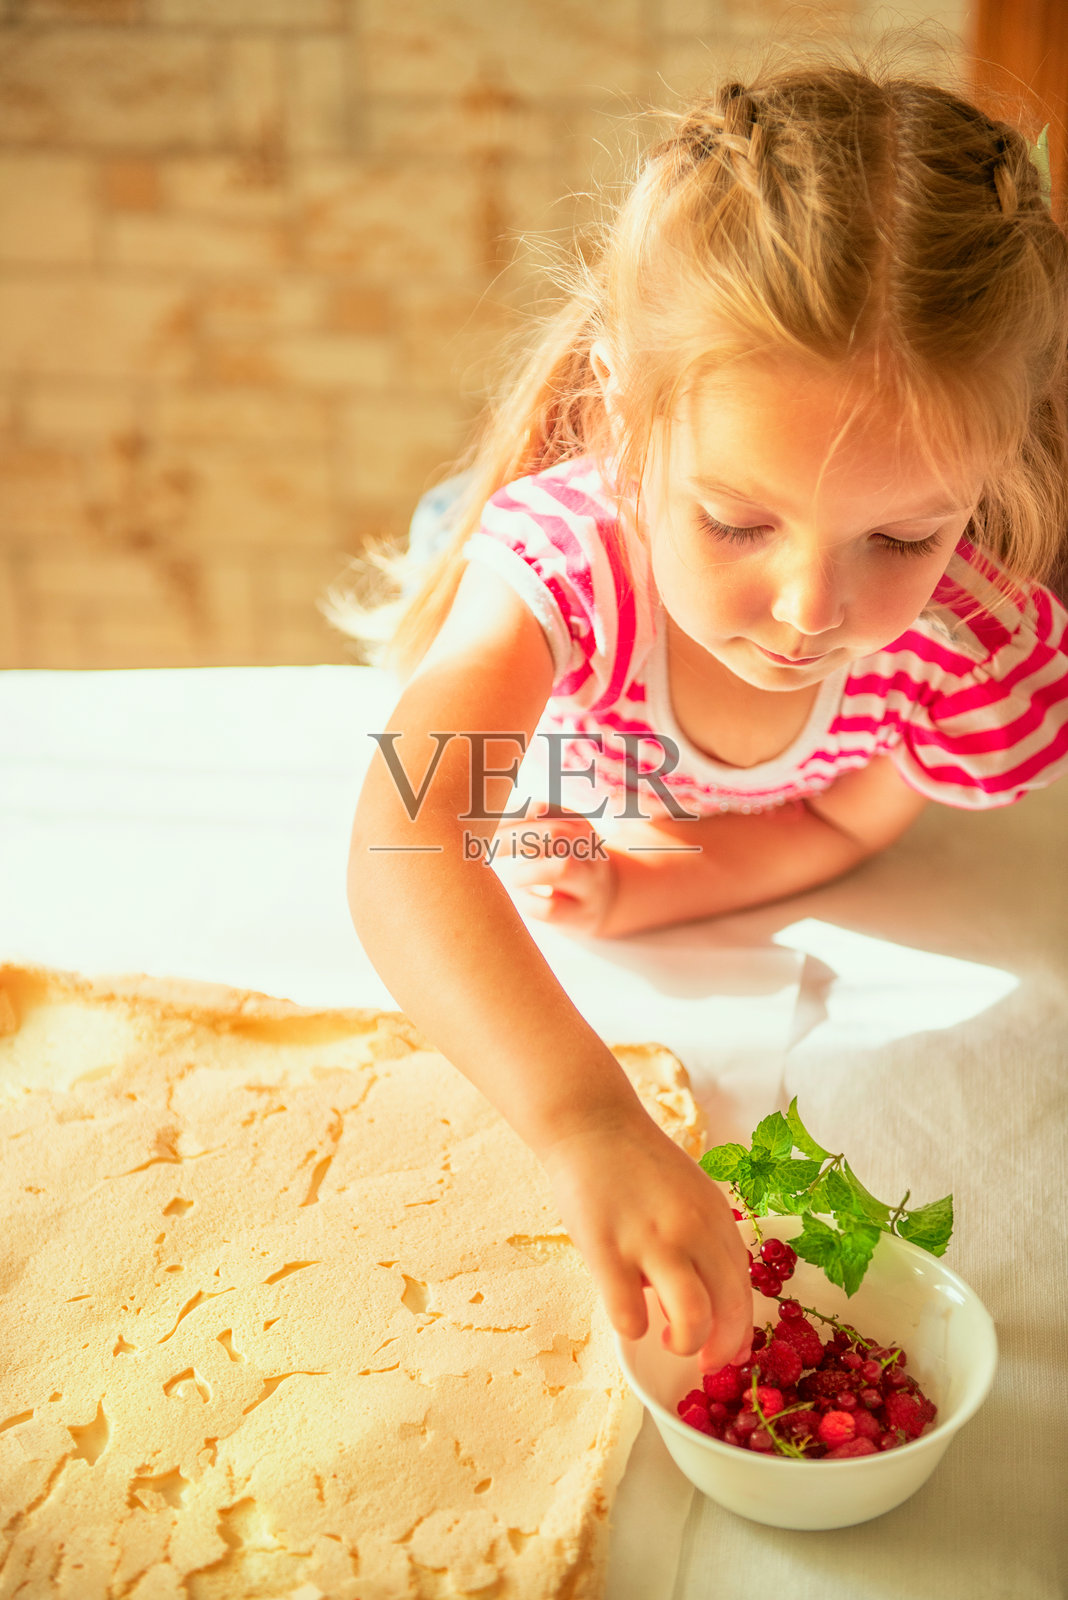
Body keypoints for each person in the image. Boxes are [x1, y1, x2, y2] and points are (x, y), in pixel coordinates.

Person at [338, 58, 1068, 1373]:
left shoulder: (966, 647)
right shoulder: (564, 568)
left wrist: (635, 885)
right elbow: (403, 836)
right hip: (532, 577)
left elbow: (842, 823)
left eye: (905, 533)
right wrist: (586, 1123)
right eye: (738, 520)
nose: (808, 609)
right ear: (626, 417)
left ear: (988, 474)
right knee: (450, 556)